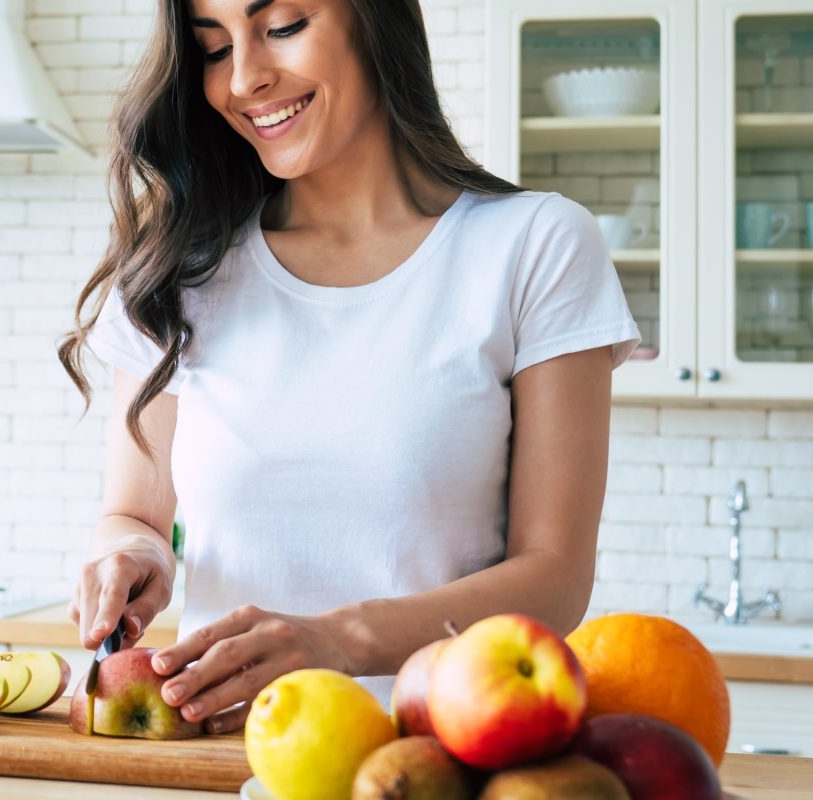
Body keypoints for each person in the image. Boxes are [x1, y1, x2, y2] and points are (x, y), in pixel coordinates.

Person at [55, 0, 642, 734]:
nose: (243, 79)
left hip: (437, 756)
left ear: (375, 20)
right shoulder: (180, 269)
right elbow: (135, 515)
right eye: (212, 49)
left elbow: (554, 576)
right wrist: (131, 557)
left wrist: (336, 639)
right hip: (225, 757)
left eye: (283, 27)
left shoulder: (533, 246)